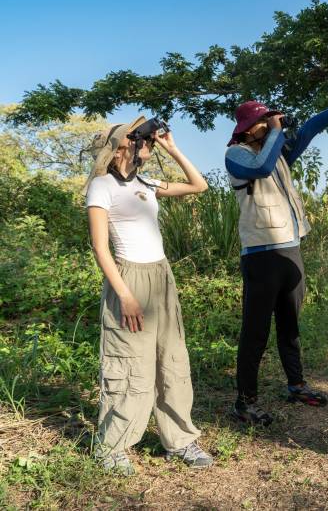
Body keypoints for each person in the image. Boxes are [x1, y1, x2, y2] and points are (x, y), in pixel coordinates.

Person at [225, 91, 328, 425]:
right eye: (264, 121)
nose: (271, 124)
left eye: (272, 120)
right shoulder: (237, 155)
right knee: (255, 333)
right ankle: (245, 402)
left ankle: (296, 384)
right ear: (247, 128)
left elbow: (309, 130)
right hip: (261, 255)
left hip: (291, 250)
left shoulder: (278, 154)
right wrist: (276, 132)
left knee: (290, 326)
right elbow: (259, 168)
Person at [84, 117, 212, 475]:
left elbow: (198, 185)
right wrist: (124, 295)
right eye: (139, 136)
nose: (146, 141)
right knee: (130, 363)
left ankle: (181, 440)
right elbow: (100, 248)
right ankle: (112, 446)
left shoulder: (146, 182)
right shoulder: (102, 186)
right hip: (129, 276)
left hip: (161, 275)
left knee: (171, 359)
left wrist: (172, 148)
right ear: (120, 145)